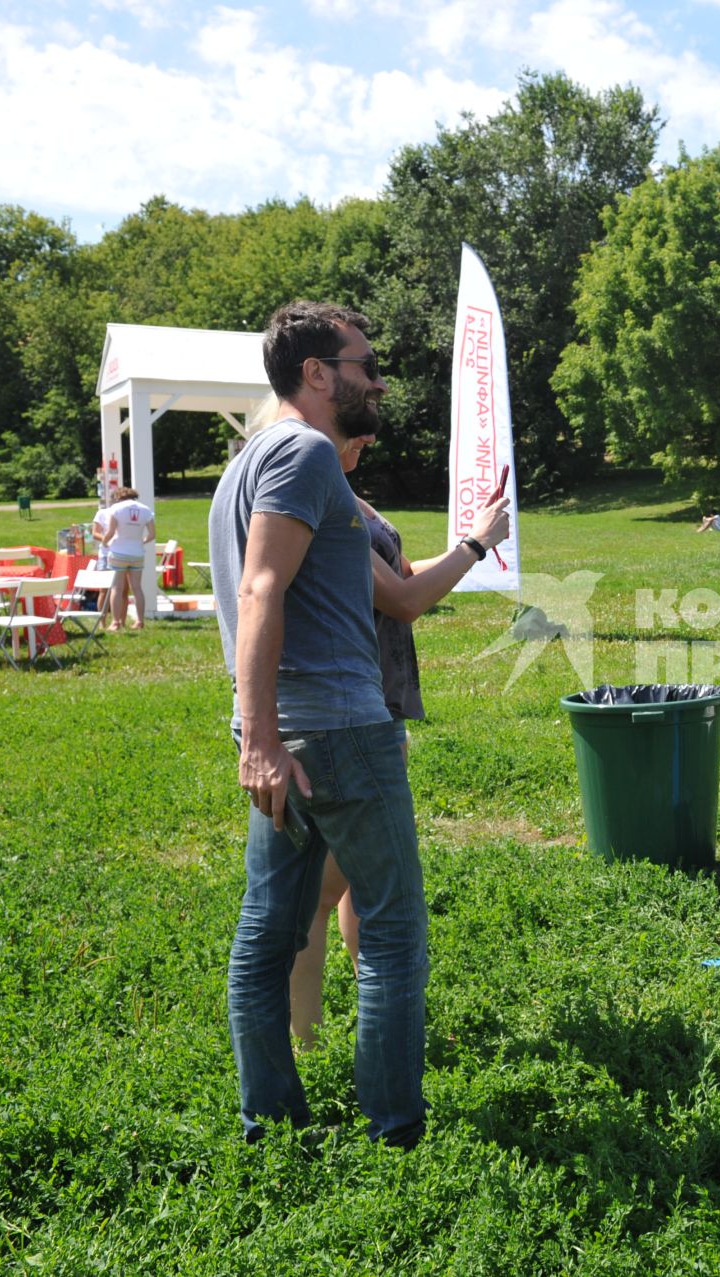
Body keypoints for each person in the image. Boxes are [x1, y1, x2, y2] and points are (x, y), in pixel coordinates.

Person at [208, 300, 452, 1147]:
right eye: (363, 362)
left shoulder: (245, 464)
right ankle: (396, 1130)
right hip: (339, 732)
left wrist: (258, 735)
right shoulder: (306, 451)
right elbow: (260, 590)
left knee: (268, 930)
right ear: (317, 372)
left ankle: (268, 1124)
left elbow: (384, 594)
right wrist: (263, 736)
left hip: (286, 738)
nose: (375, 379)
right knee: (390, 929)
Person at [288, 422, 511, 1049]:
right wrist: (474, 544)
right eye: (354, 431)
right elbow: (405, 600)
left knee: (361, 878)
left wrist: (477, 538)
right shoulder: (320, 500)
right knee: (318, 891)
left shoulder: (352, 496)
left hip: (380, 705)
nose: (369, 440)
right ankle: (305, 1046)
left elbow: (411, 575)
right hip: (347, 709)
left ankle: (376, 1017)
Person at [99, 487, 155, 630]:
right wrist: (140, 541)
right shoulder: (146, 509)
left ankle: (116, 622)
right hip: (137, 553)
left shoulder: (116, 509)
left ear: (119, 497)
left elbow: (111, 532)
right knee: (137, 588)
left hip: (119, 552)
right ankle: (140, 621)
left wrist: (105, 542)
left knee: (117, 589)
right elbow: (152, 534)